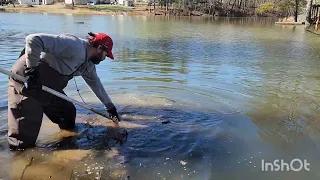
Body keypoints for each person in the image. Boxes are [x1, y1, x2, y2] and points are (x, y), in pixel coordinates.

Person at [7, 32, 121, 151]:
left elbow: (96, 85)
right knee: (24, 138)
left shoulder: (89, 65)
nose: (104, 58)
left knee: (67, 112)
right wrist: (32, 71)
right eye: (105, 55)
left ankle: (66, 142)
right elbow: (33, 39)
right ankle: (20, 157)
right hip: (27, 81)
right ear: (99, 48)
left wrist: (110, 107)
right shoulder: (74, 45)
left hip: (49, 87)